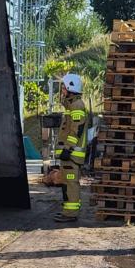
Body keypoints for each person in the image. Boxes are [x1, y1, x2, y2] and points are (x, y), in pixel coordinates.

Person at [53, 73, 89, 223]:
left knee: (71, 183)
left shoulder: (77, 106)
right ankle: (68, 211)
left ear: (70, 88)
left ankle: (71, 213)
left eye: (64, 88)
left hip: (72, 154)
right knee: (67, 183)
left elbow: (76, 130)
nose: (62, 91)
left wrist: (67, 149)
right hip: (69, 154)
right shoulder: (72, 105)